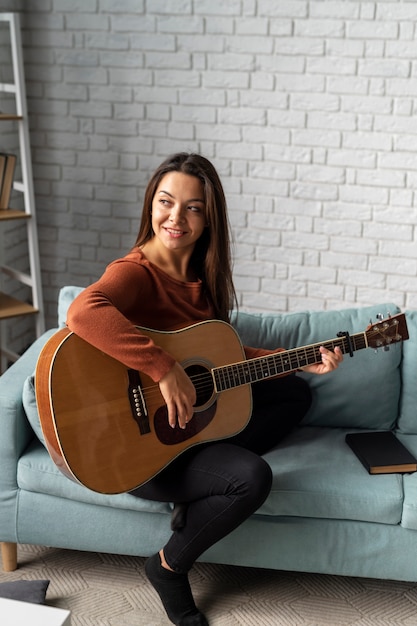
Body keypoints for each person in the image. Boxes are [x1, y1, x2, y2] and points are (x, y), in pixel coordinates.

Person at [66, 152, 343, 626]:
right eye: (166, 202)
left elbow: (220, 361)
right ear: (150, 204)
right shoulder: (135, 272)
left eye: (193, 208)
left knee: (294, 393)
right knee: (251, 478)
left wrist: (300, 361)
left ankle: (196, 483)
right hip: (142, 450)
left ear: (209, 219)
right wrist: (162, 368)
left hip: (183, 428)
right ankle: (170, 566)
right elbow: (83, 312)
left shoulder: (202, 281)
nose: (176, 217)